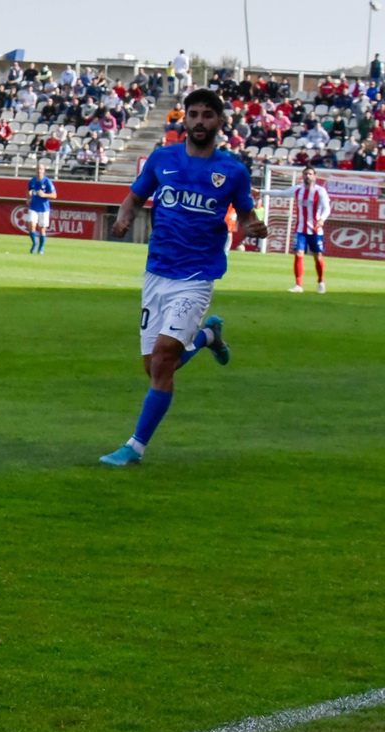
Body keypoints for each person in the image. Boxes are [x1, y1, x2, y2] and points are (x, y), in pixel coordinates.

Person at [103, 88, 266, 467]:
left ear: (219, 123)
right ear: (185, 120)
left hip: (197, 276)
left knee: (162, 358)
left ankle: (135, 448)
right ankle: (209, 336)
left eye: (208, 115)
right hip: (157, 273)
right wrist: (125, 216)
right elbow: (134, 197)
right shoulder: (162, 159)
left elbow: (244, 215)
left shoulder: (233, 171)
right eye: (193, 114)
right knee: (156, 368)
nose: (199, 121)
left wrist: (252, 226)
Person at [261, 164, 331, 293]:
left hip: (315, 230)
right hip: (300, 230)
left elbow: (327, 207)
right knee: (299, 254)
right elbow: (281, 193)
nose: (307, 176)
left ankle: (321, 281)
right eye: (305, 174)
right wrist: (261, 191)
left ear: (314, 176)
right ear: (302, 176)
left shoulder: (320, 191)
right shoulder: (298, 190)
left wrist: (322, 219)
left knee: (318, 256)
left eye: (310, 174)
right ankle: (298, 285)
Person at [25, 162, 56, 254]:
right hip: (33, 207)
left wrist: (44, 195)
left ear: (44, 170)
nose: (39, 171)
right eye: (38, 169)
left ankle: (41, 248)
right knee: (31, 225)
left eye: (41, 169)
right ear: (35, 170)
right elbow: (29, 190)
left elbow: (54, 195)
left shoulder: (47, 182)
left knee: (42, 228)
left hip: (44, 208)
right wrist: (28, 198)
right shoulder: (32, 181)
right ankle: (35, 243)